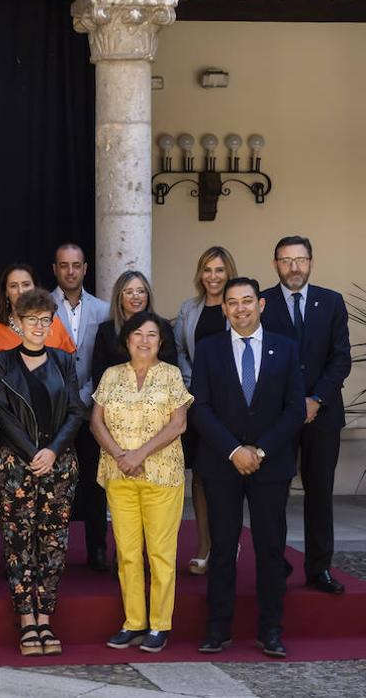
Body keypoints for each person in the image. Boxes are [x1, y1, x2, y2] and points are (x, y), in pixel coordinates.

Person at [190, 277, 304, 658]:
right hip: (222, 464)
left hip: (271, 466)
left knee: (270, 548)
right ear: (223, 309)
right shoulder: (208, 350)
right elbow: (200, 407)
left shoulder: (286, 349)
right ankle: (217, 629)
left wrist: (260, 450)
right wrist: (235, 450)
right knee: (222, 547)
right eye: (232, 303)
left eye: (247, 301)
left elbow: (295, 410)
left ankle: (270, 630)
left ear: (261, 305)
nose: (240, 308)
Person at [90, 312, 192, 654]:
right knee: (128, 554)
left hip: (162, 475)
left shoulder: (171, 375)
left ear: (161, 341)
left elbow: (178, 424)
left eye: (152, 334)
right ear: (127, 339)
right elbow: (96, 422)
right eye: (138, 334)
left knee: (161, 553)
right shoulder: (111, 375)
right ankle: (134, 622)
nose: (144, 340)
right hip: (120, 475)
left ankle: (159, 625)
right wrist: (121, 455)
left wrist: (139, 455)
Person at [0, 288, 84, 657]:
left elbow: (77, 410)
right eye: (32, 320)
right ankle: (26, 620)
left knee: (53, 543)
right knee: (19, 543)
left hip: (59, 465)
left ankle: (45, 618)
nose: (39, 327)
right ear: (17, 322)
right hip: (17, 465)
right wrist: (34, 453)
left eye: (46, 320)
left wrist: (52, 450)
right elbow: (2, 415)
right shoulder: (3, 362)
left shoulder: (63, 361)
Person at [260, 236, 351, 595]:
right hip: (277, 418)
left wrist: (315, 399)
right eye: (286, 260)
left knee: (320, 492)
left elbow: (340, 358)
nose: (294, 267)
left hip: (322, 414)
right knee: (273, 494)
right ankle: (275, 563)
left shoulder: (331, 302)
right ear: (275, 264)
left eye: (300, 260)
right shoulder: (262, 303)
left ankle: (319, 568)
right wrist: (291, 406)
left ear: (311, 262)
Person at [172, 246, 237, 576]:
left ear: (229, 273)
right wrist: (192, 386)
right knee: (199, 475)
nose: (213, 276)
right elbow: (180, 349)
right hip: (197, 402)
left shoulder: (236, 306)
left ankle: (227, 542)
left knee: (225, 477)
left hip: (230, 403)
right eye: (207, 269)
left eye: (220, 270)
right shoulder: (189, 308)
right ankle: (203, 546)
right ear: (200, 273)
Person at [51, 244, 112, 573]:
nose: (70, 271)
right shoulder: (42, 306)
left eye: (76, 265)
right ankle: (52, 553)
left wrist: (84, 399)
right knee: (54, 487)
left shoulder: (103, 310)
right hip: (54, 413)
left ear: (86, 268)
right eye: (64, 266)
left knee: (94, 484)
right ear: (55, 269)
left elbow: (104, 363)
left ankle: (97, 549)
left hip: (91, 411)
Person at [0, 264, 75, 465]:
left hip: (54, 435)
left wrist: (54, 448)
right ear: (5, 292)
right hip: (13, 434)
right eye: (13, 286)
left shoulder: (55, 324)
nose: (20, 290)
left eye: (26, 284)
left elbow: (70, 385)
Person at [90, 271, 178, 389]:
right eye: (129, 292)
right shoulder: (106, 331)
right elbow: (99, 377)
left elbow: (171, 370)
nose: (136, 296)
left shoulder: (163, 327)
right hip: (115, 403)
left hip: (157, 401)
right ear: (119, 297)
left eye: (141, 291)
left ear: (148, 295)